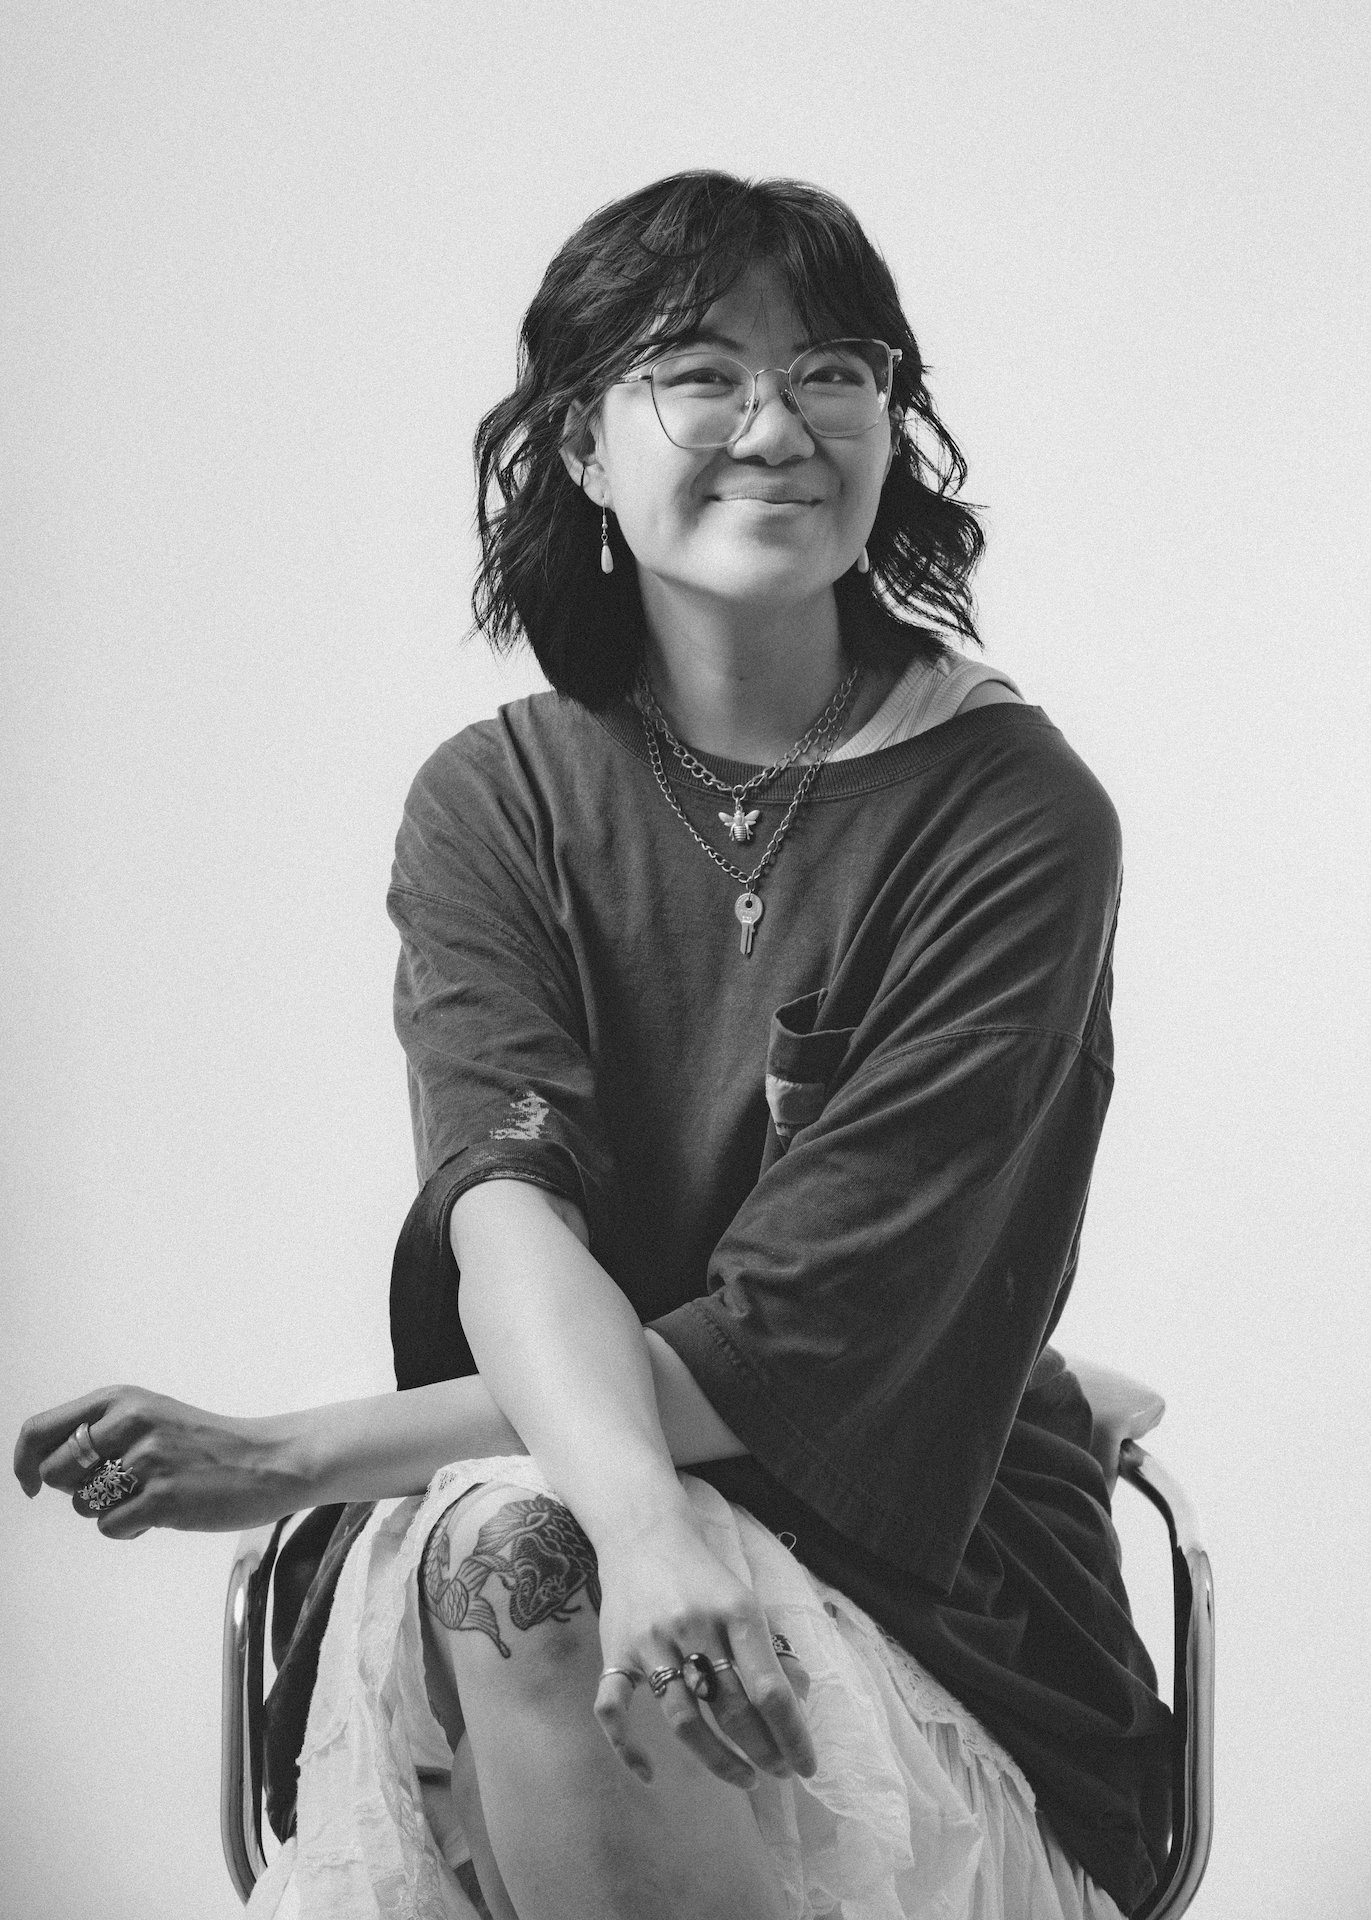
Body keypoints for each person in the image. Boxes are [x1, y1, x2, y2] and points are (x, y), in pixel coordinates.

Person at [15, 172, 1171, 1920]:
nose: (775, 426)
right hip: (558, 1512)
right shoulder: (498, 799)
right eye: (697, 371)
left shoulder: (1015, 814)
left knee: (513, 1539)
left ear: (891, 424)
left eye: (835, 371)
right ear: (575, 444)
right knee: (521, 1545)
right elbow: (507, 1214)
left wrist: (287, 1458)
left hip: (933, 1581)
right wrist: (639, 1523)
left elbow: (809, 1339)